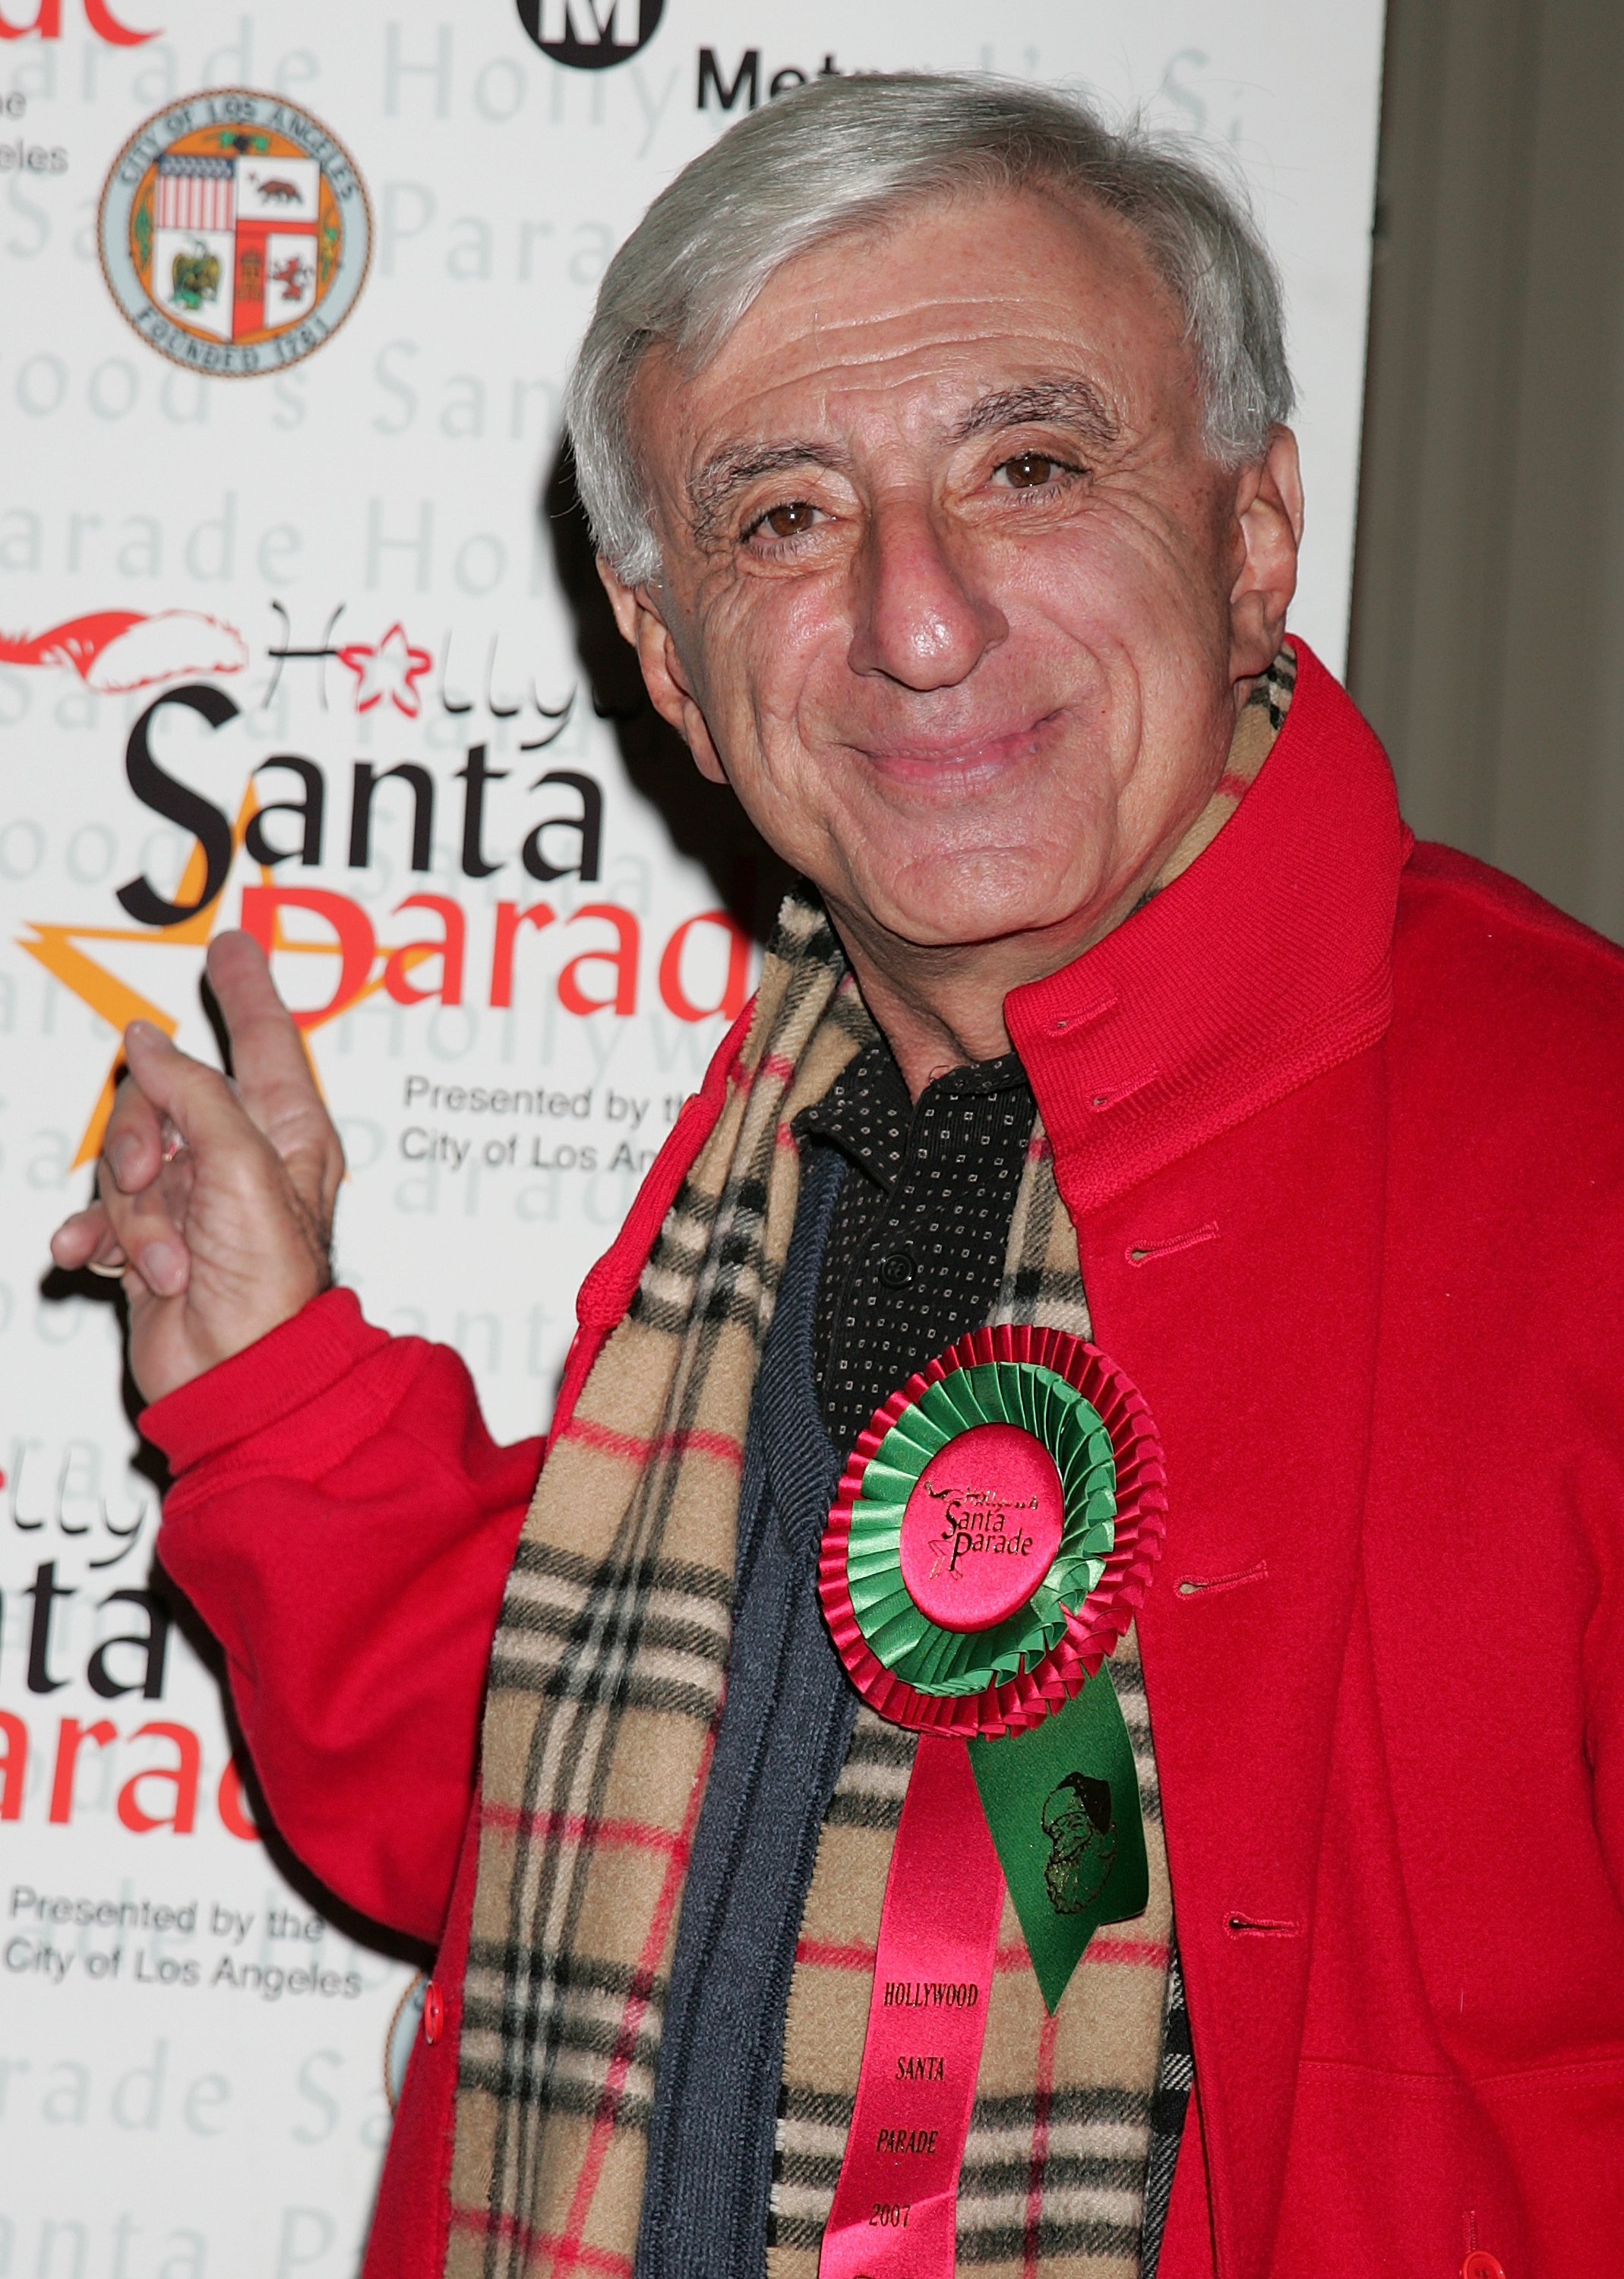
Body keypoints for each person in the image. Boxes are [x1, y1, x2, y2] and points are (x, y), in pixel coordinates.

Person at [52, 71, 1624, 2279]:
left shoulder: (1575, 1159)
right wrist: (277, 1379)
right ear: (674, 667)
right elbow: (562, 1822)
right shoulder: (789, 1134)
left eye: (1030, 467)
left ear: (1254, 529)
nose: (915, 618)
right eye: (784, 516)